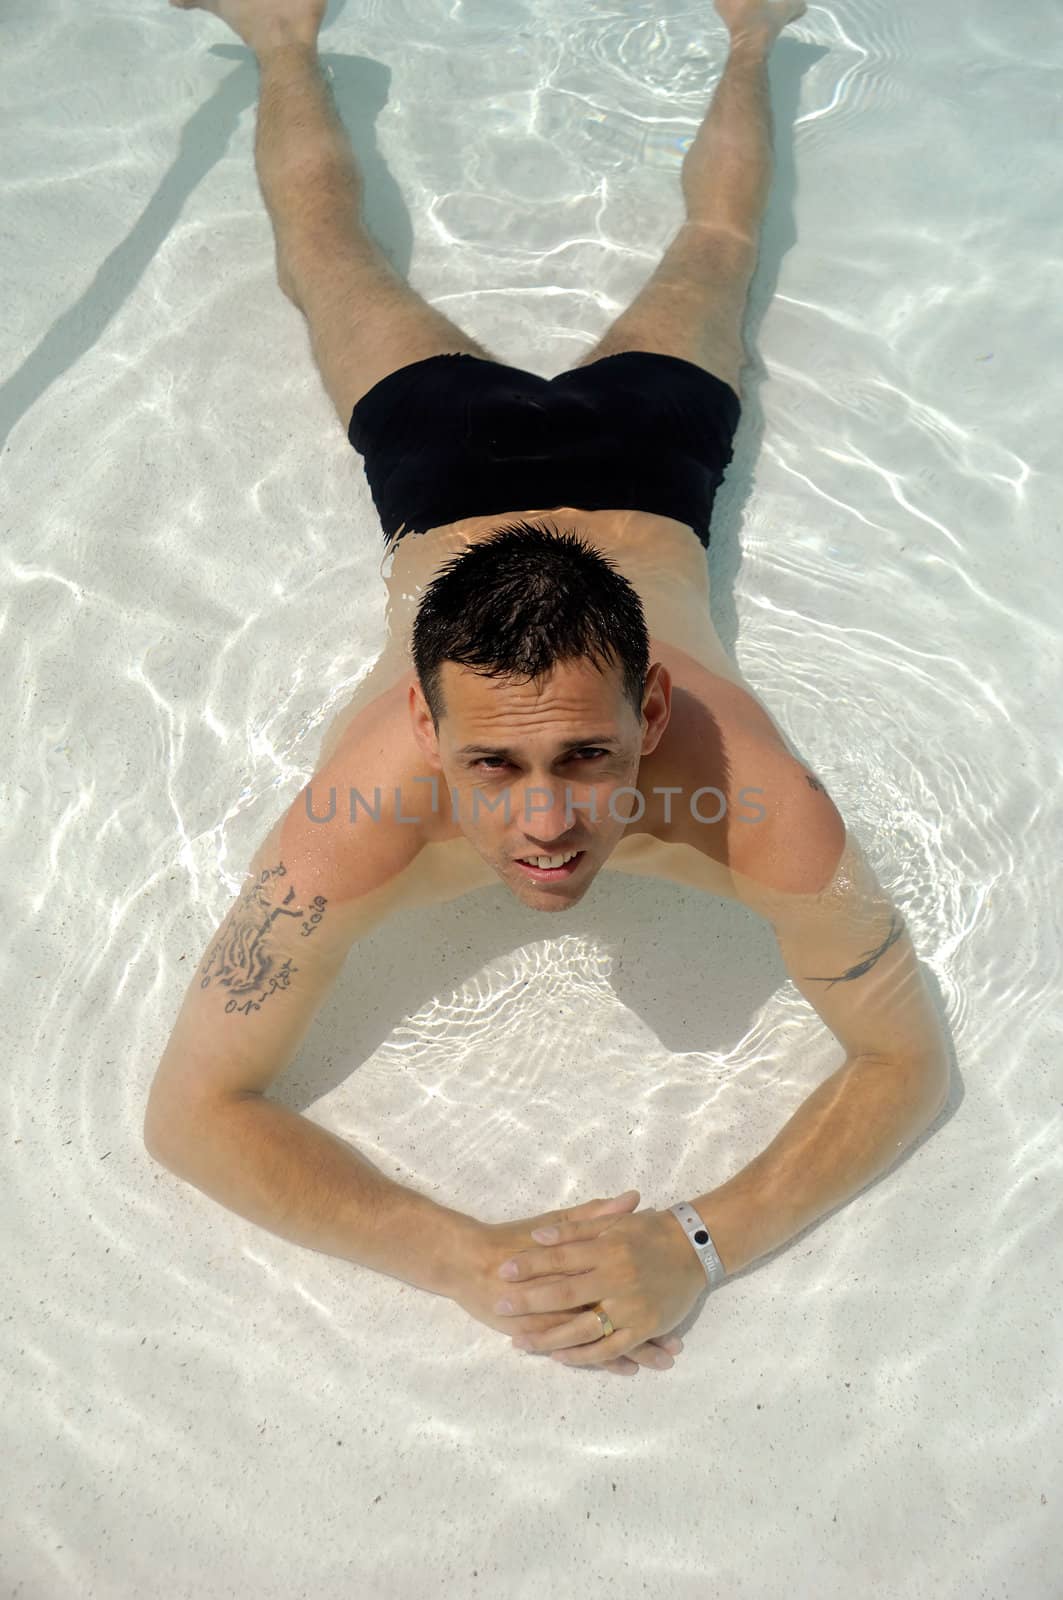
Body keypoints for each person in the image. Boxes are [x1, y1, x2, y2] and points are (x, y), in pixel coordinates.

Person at [147, 0, 950, 1379]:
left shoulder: (756, 804)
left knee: (719, 251)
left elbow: (907, 1064)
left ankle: (753, 34)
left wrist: (702, 1241)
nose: (542, 826)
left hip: (648, 458)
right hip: (444, 466)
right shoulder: (355, 823)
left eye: (584, 757)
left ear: (650, 717)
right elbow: (192, 1113)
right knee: (327, 258)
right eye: (494, 765)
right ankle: (283, 35)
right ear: (424, 725)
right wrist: (463, 1259)